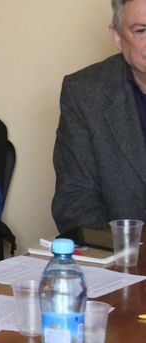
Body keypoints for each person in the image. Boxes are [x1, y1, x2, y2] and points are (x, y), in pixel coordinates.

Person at [52, 0, 146, 234]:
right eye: (141, 30)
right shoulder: (84, 93)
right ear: (117, 37)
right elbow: (75, 202)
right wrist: (126, 250)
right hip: (123, 251)